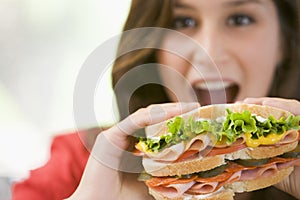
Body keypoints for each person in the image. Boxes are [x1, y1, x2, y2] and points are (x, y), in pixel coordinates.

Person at [12, 0, 300, 199]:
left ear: (285, 44)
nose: (208, 52)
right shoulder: (80, 164)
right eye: (184, 21)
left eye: (240, 19)